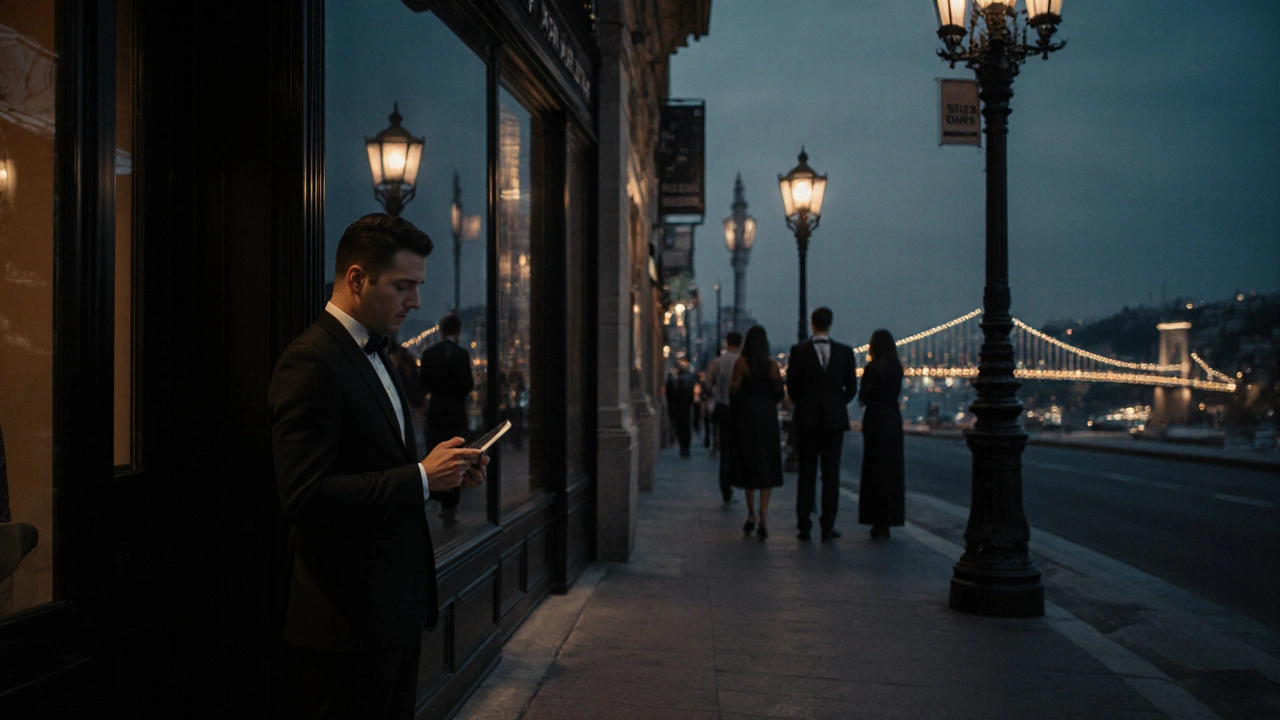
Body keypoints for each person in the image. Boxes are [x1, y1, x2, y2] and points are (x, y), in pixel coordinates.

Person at [267, 213, 488, 720]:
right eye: (403, 286)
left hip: (392, 615)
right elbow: (304, 496)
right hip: (344, 624)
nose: (415, 302)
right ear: (356, 280)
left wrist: (445, 477)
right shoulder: (311, 361)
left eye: (418, 287)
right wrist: (421, 477)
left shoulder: (377, 352)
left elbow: (382, 466)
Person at [786, 307, 858, 542]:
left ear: (811, 324)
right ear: (831, 323)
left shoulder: (798, 351)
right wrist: (835, 404)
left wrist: (807, 404)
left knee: (806, 473)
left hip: (807, 420)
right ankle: (828, 525)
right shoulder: (846, 353)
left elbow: (792, 388)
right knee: (831, 474)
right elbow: (852, 389)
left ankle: (804, 525)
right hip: (834, 422)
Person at [730, 325, 785, 539]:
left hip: (747, 418)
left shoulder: (741, 364)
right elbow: (779, 392)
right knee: (766, 467)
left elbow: (733, 391)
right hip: (767, 419)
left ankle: (751, 515)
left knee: (749, 467)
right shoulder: (772, 365)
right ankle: (764, 515)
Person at [858, 329, 905, 540]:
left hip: (875, 419)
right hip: (893, 420)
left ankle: (876, 521)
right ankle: (889, 520)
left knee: (874, 470)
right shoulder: (898, 368)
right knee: (892, 471)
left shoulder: (871, 368)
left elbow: (863, 397)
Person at [420, 312, 474, 450]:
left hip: (436, 410)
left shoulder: (428, 354)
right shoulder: (462, 354)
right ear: (457, 331)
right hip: (456, 411)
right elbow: (467, 385)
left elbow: (423, 383)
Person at [706, 331, 743, 501]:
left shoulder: (718, 361)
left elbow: (708, 383)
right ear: (740, 343)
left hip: (722, 408)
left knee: (725, 450)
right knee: (739, 448)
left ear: (726, 342)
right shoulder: (743, 362)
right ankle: (737, 482)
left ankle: (725, 487)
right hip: (740, 410)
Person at [665, 359, 695, 457]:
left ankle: (683, 448)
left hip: (679, 409)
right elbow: (691, 397)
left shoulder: (675, 382)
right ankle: (685, 448)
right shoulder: (688, 381)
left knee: (681, 428)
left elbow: (671, 396)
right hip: (685, 408)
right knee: (686, 428)